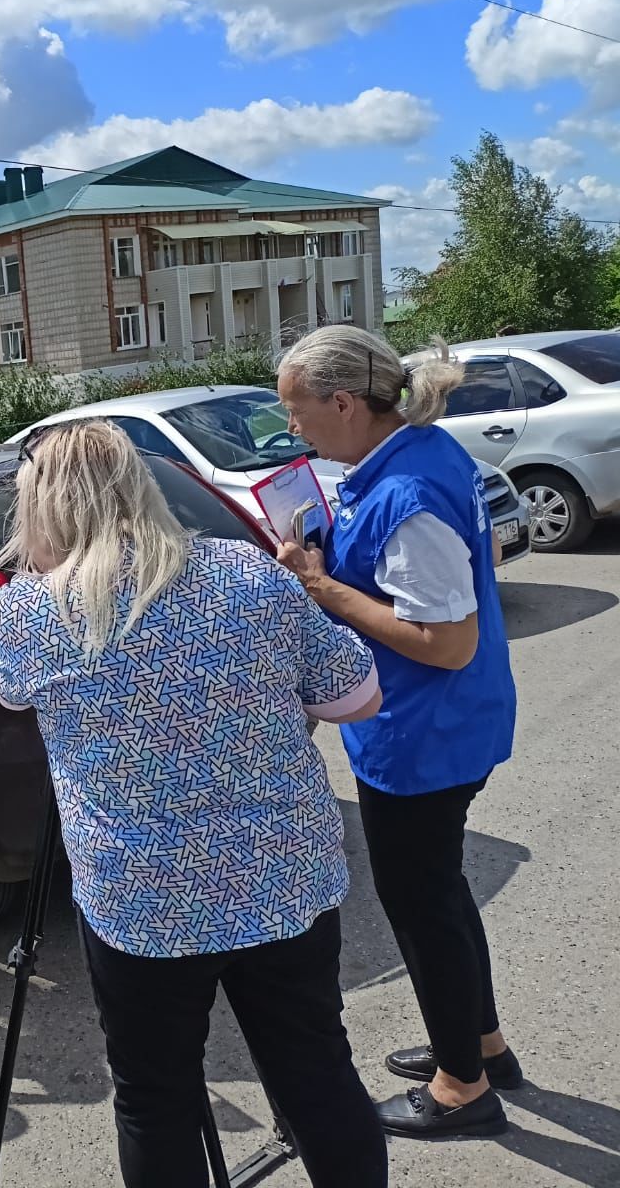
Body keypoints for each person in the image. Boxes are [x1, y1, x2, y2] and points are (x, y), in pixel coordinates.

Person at [0, 421, 388, 1188]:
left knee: (154, 1095)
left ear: (42, 507)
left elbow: (12, 693)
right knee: (316, 1072)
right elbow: (358, 695)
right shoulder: (244, 571)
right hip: (282, 878)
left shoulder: (32, 613)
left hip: (142, 901)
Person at [275, 325, 520, 1139]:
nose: (294, 428)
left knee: (423, 907)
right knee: (440, 893)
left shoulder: (404, 494)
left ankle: (462, 1086)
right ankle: (479, 1045)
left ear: (344, 402)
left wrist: (319, 588)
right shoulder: (415, 454)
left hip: (423, 737)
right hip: (442, 727)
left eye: (299, 410)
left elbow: (446, 641)